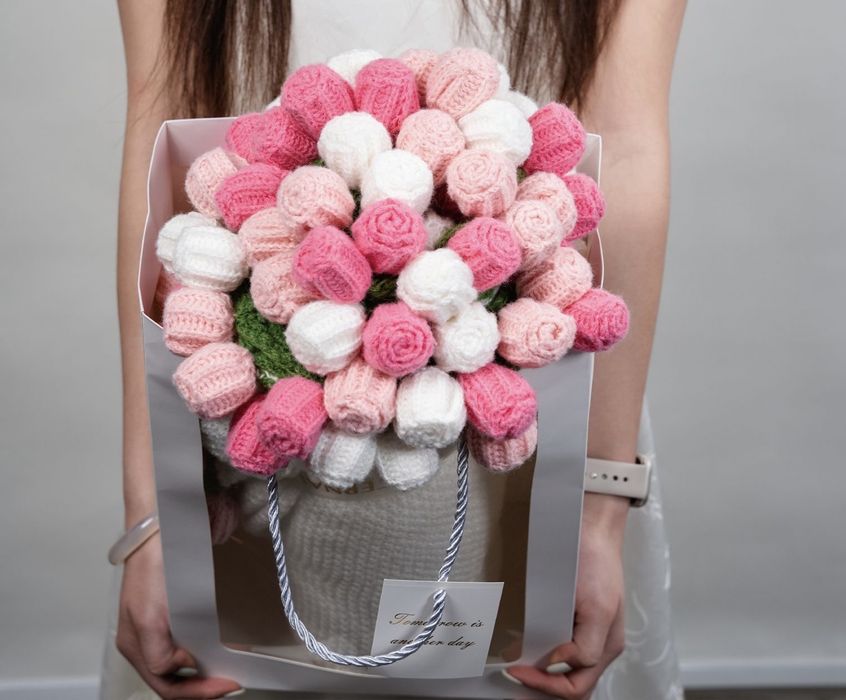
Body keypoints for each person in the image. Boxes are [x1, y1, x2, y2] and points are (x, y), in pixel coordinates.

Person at [105, 1, 687, 698]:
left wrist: (597, 505)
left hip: (524, 393)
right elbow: (159, 135)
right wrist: (153, 516)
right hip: (249, 402)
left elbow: (624, 146)